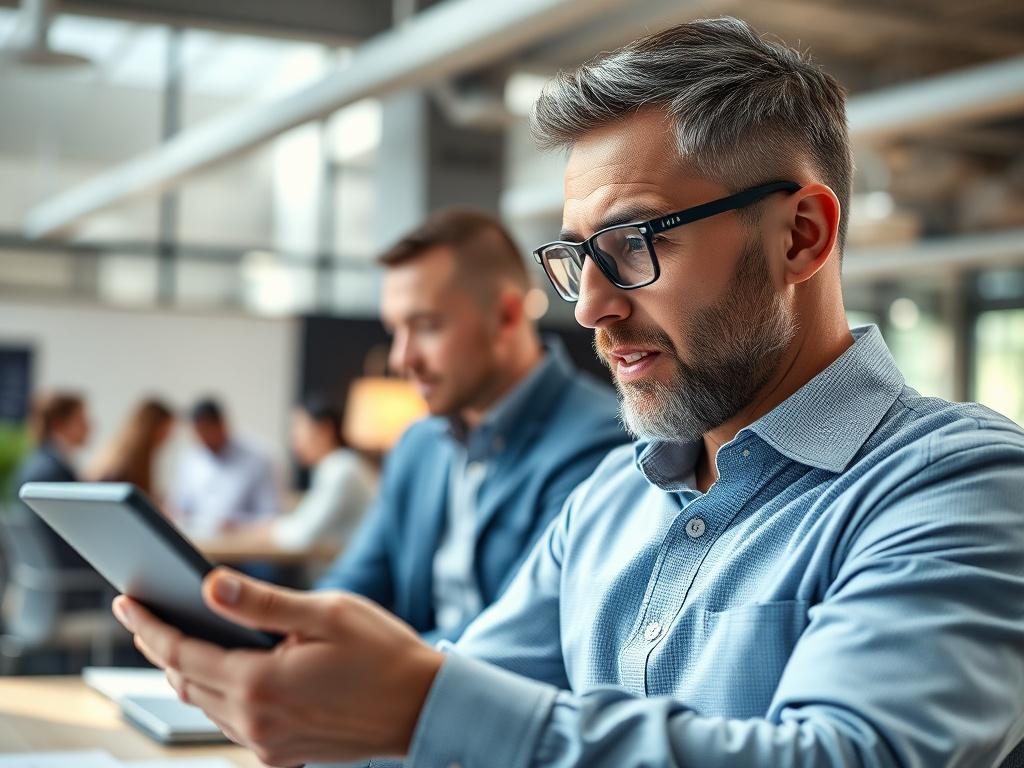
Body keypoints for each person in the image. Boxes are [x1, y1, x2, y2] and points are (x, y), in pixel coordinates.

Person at [112, 17, 1024, 768]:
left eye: (632, 244)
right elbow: (456, 697)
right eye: (575, 257)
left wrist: (421, 706)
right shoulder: (612, 499)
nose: (588, 306)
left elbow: (845, 757)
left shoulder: (962, 486)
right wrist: (310, 693)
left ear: (800, 237)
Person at [314, 208, 627, 642]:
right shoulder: (418, 445)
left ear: (507, 317)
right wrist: (289, 633)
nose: (402, 359)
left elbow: (523, 637)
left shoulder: (603, 444)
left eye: (425, 327)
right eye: (395, 332)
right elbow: (352, 585)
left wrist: (362, 670)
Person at [220, 396, 377, 552]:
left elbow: (301, 535)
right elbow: (303, 522)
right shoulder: (338, 466)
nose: (294, 438)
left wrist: (265, 530)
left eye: (298, 427)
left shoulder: (341, 470)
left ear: (325, 429)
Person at [172, 398, 279, 538]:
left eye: (206, 431)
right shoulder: (190, 459)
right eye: (197, 433)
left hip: (244, 548)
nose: (202, 439)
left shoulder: (258, 458)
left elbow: (270, 517)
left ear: (222, 425)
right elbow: (178, 508)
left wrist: (237, 525)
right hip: (198, 543)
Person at [12, 391, 94, 572]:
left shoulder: (37, 462)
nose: (90, 427)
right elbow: (75, 534)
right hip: (69, 579)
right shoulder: (52, 474)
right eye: (82, 420)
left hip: (47, 577)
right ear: (59, 424)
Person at [88, 398, 174, 501]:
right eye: (166, 430)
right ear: (152, 429)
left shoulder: (117, 455)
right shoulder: (122, 467)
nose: (169, 437)